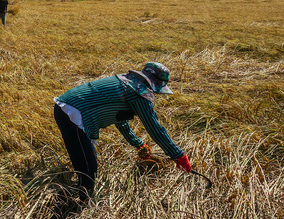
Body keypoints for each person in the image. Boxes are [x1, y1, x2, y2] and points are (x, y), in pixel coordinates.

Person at [53, 62, 191, 202]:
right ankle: (83, 204)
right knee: (88, 166)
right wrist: (178, 155)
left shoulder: (127, 82)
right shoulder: (140, 92)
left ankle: (80, 195)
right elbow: (153, 127)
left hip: (66, 108)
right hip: (72, 114)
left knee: (86, 158)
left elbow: (120, 119)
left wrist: (138, 144)